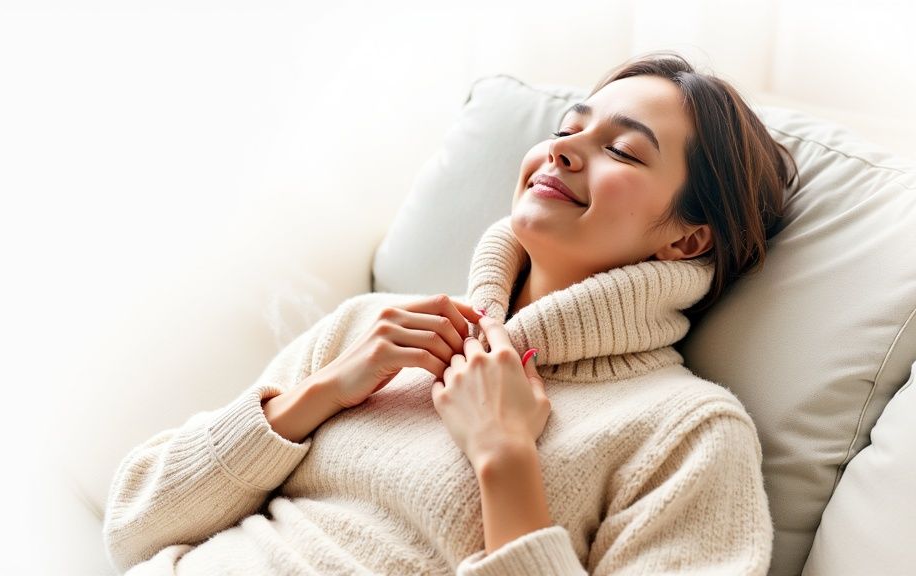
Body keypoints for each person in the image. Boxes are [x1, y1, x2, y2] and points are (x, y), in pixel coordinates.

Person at [103, 51, 798, 575]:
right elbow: (134, 523)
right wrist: (317, 396)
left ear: (687, 238)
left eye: (621, 149)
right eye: (567, 128)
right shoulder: (371, 328)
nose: (562, 149)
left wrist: (504, 459)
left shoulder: (686, 433)